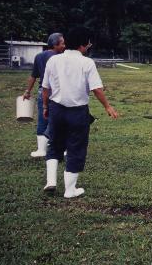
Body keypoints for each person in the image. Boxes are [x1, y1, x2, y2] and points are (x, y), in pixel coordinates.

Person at [41, 26, 118, 198]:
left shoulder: (53, 60)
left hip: (56, 109)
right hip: (78, 112)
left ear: (66, 42)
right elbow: (97, 88)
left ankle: (51, 181)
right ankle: (70, 190)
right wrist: (107, 106)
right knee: (76, 147)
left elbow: (45, 87)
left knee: (54, 144)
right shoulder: (87, 62)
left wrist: (45, 107)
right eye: (89, 43)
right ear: (84, 45)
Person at [23, 33, 65, 157]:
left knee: (43, 119)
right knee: (62, 119)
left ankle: (41, 150)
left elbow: (33, 76)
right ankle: (63, 148)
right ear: (55, 44)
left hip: (43, 91)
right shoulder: (60, 57)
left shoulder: (39, 56)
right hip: (58, 91)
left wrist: (27, 91)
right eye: (62, 43)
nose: (64, 45)